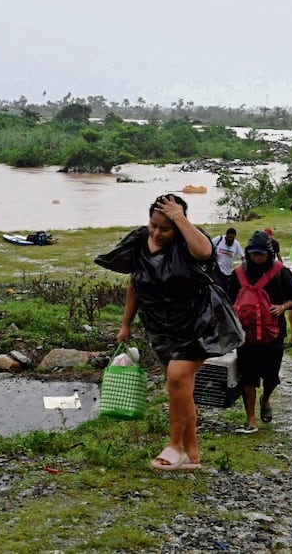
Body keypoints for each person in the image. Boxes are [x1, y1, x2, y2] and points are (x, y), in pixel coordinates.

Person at [112, 193, 217, 471]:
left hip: (196, 325)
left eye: (165, 228)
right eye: (153, 226)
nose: (157, 233)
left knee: (177, 377)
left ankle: (175, 446)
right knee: (180, 388)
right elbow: (135, 285)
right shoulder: (140, 244)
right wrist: (125, 324)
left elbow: (205, 253)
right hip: (159, 327)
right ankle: (192, 455)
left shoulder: (190, 242)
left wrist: (179, 218)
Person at [226, 231, 292, 434]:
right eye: (253, 254)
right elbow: (227, 300)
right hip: (246, 336)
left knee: (271, 376)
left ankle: (266, 397)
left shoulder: (280, 272)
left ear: (269, 253)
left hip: (273, 336)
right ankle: (250, 418)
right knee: (247, 377)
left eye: (261, 254)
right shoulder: (239, 274)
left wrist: (282, 307)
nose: (257, 258)